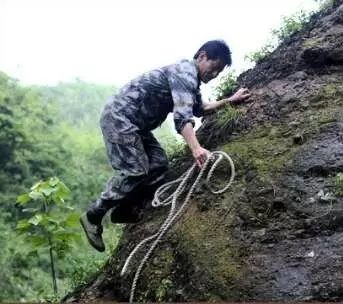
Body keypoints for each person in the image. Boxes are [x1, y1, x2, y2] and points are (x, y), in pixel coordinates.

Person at [80, 40, 251, 252]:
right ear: (202, 56)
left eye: (218, 72)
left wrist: (230, 100)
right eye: (213, 67)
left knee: (159, 164)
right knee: (135, 170)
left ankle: (124, 209)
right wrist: (196, 148)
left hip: (136, 126)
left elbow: (201, 108)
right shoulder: (185, 73)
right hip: (120, 118)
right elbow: (182, 118)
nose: (214, 74)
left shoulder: (190, 80)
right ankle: (93, 216)